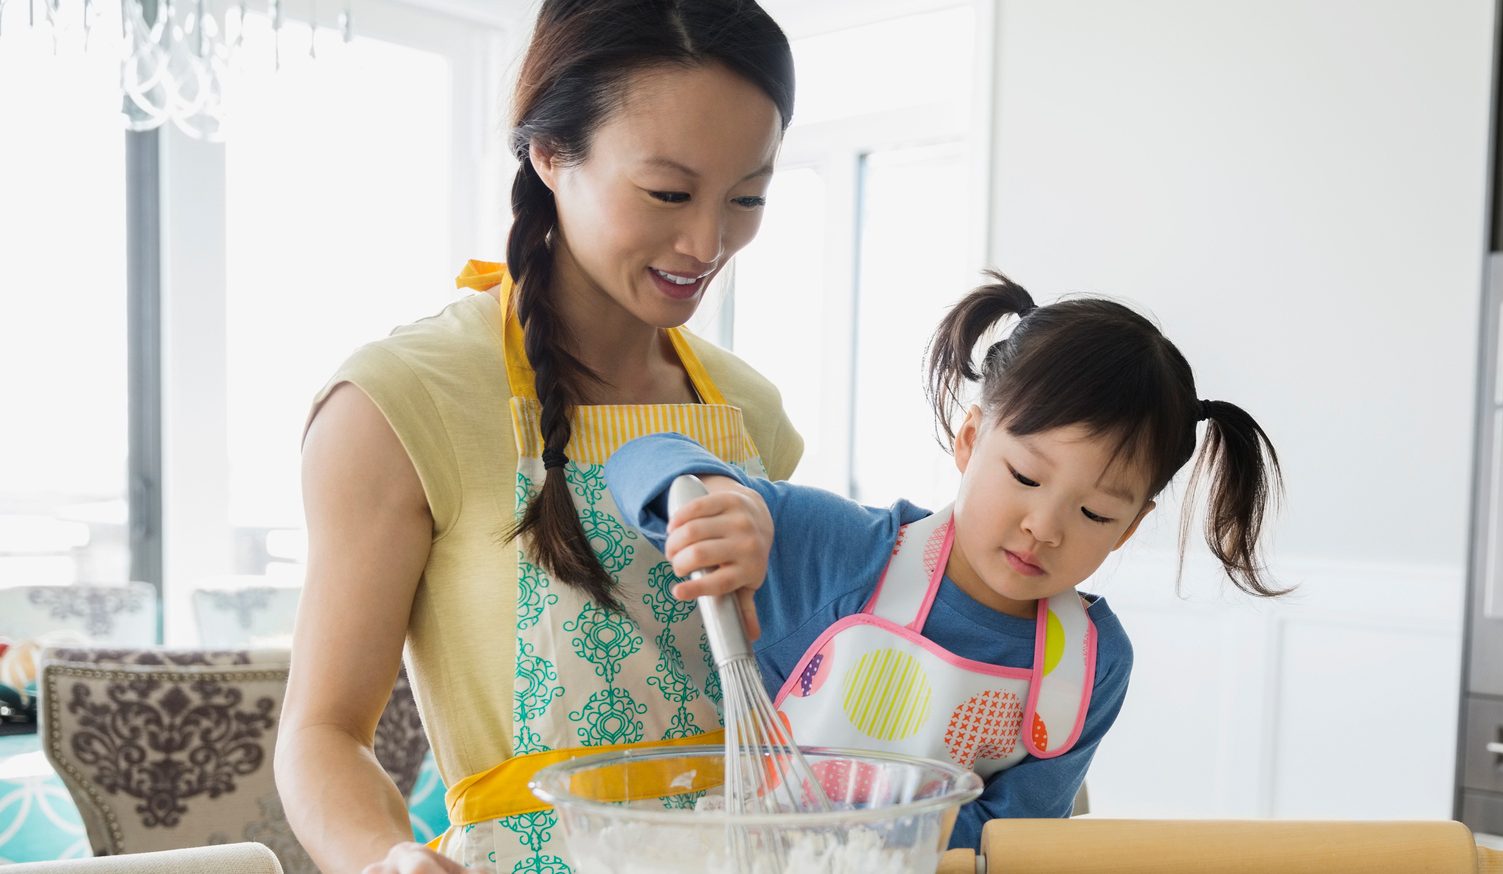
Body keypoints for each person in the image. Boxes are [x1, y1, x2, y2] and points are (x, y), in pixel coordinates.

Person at [275, 1, 802, 870]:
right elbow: (323, 732)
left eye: (747, 196)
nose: (709, 240)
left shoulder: (751, 411)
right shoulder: (401, 401)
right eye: (668, 192)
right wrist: (382, 857)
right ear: (549, 153)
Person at [606, 272, 1288, 849]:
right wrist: (720, 497)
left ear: (1130, 527)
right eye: (1024, 476)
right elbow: (639, 455)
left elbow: (1012, 843)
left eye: (1094, 514)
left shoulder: (1088, 664)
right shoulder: (836, 551)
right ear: (969, 438)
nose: (1042, 527)